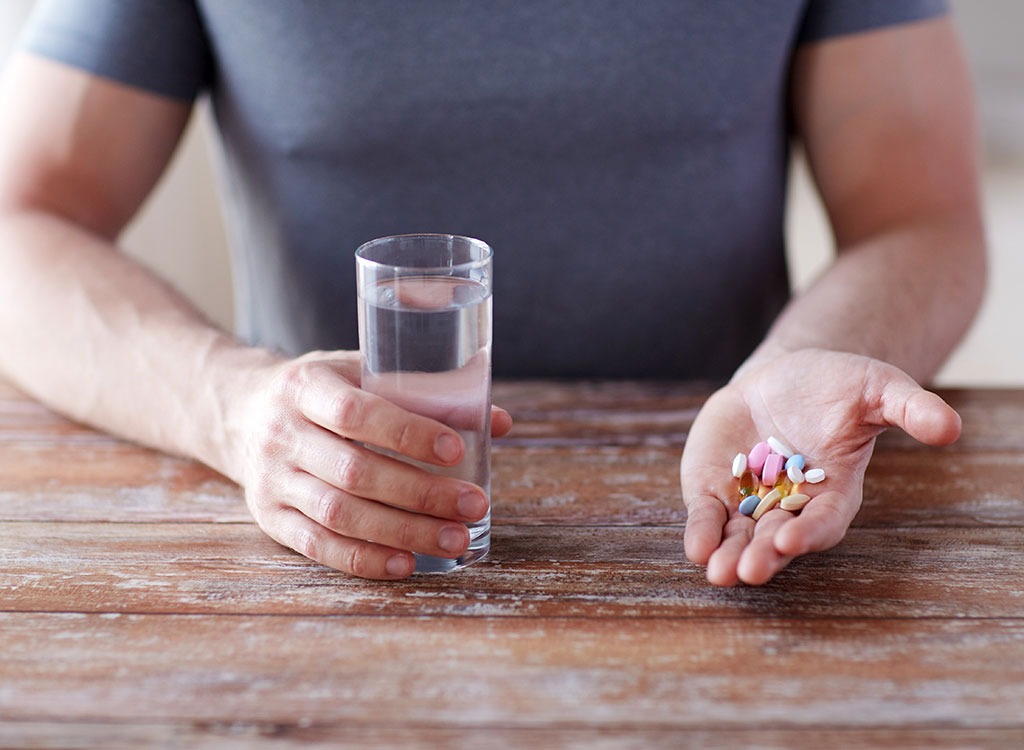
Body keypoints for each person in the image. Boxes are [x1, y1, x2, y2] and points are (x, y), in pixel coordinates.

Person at [0, 1, 984, 585]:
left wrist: (794, 372)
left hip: (707, 531)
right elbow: (22, 220)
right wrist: (229, 407)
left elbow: (920, 218)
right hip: (324, 544)